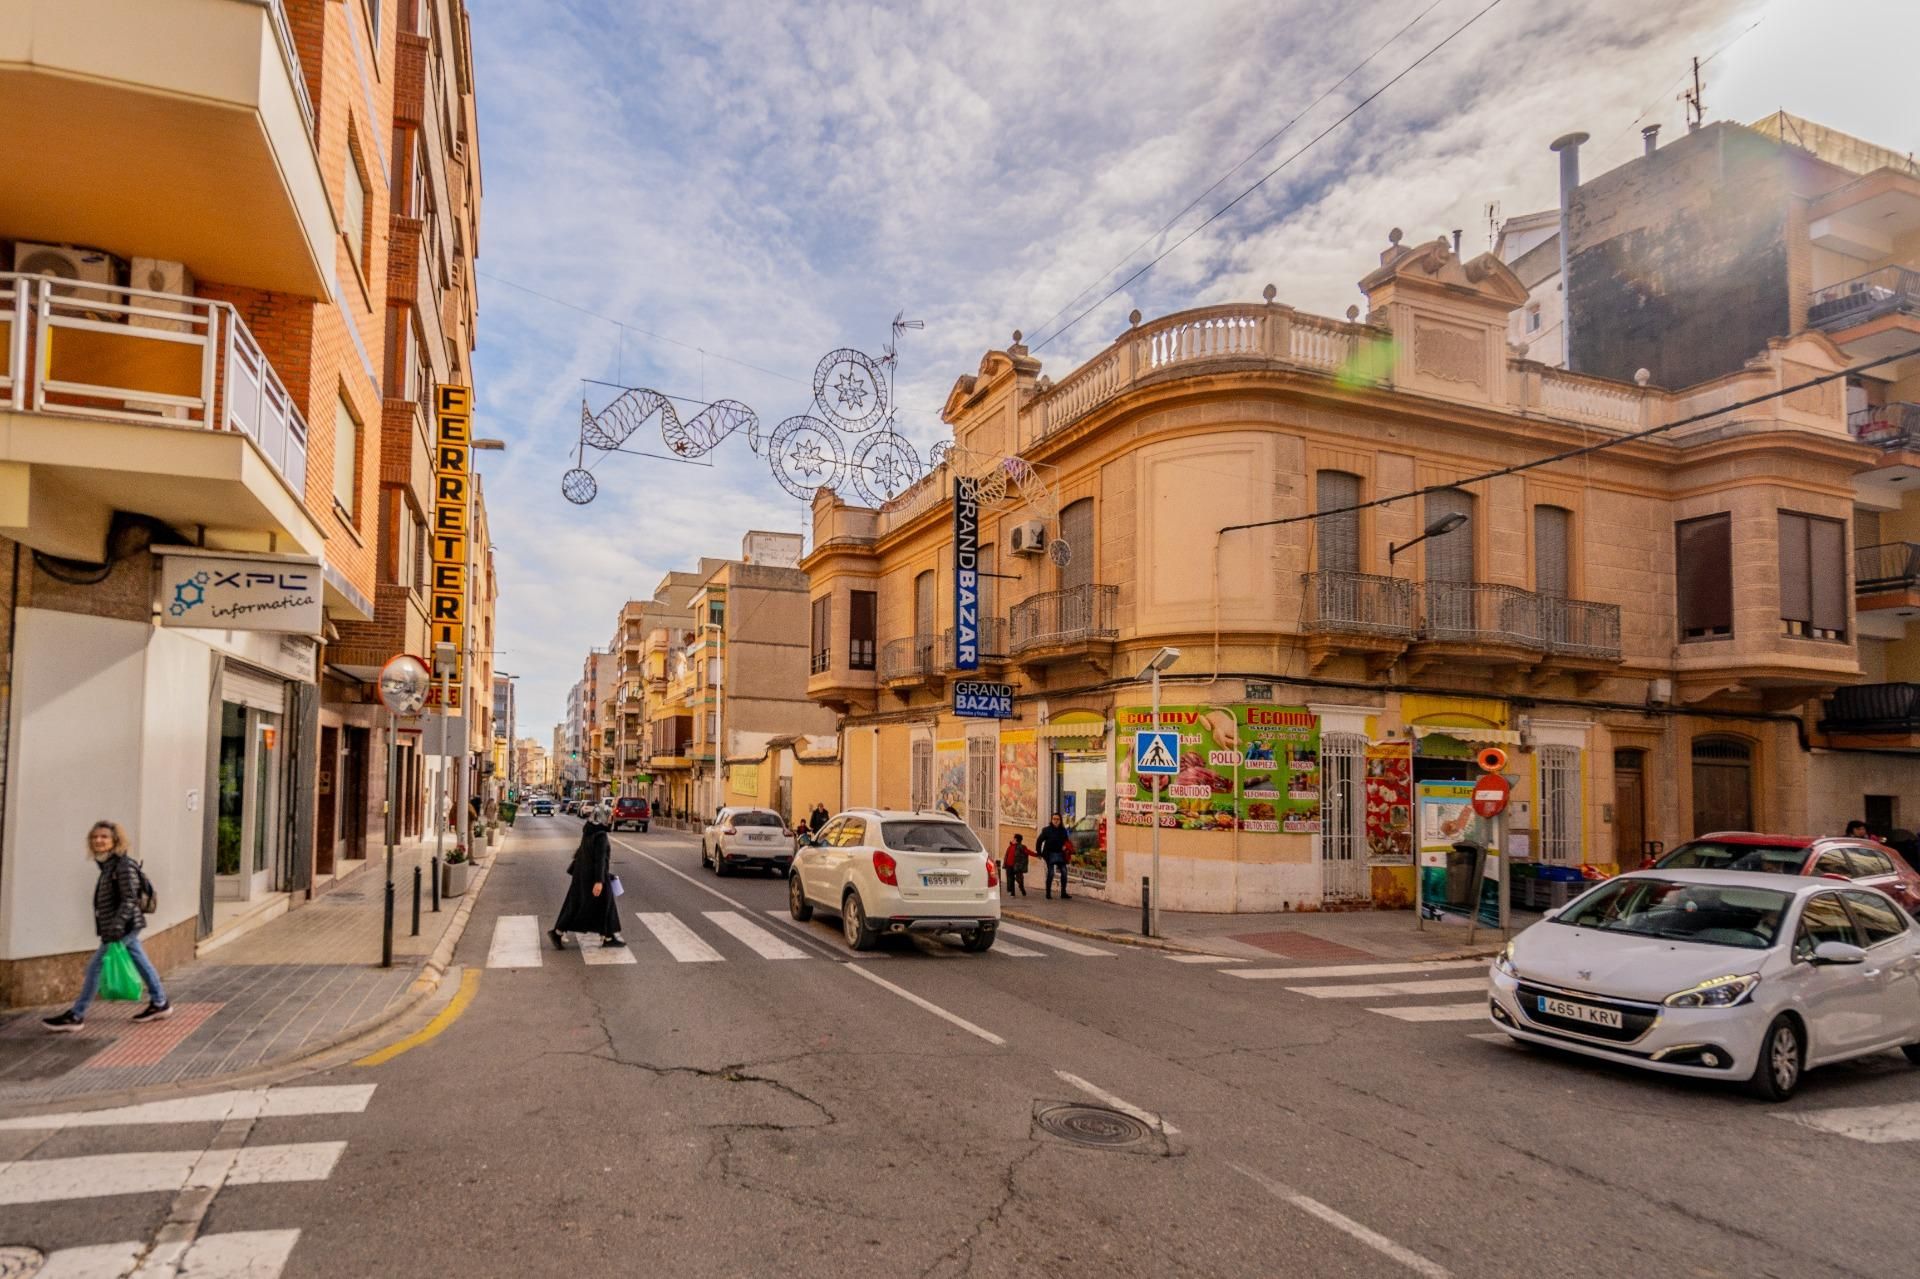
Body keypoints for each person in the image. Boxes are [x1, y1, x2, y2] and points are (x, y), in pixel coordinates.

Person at [44, 821, 171, 1030]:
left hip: (123, 927)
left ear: (115, 841)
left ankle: (76, 1015)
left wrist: (115, 927)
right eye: (95, 837)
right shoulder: (108, 866)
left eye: (104, 837)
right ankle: (160, 1002)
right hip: (120, 926)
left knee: (94, 967)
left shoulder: (123, 865)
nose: (98, 840)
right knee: (140, 961)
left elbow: (130, 899)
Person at [549, 806, 622, 949]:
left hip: (582, 874)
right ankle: (558, 933)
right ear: (601, 817)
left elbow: (583, 853)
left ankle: (607, 936)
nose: (610, 819)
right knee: (592, 904)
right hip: (593, 877)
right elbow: (600, 860)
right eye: (608, 816)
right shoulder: (600, 835)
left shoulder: (589, 831)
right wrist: (599, 881)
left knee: (580, 904)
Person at [1036, 813, 1072, 900]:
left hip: (1060, 854)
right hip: (1049, 854)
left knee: (1064, 872)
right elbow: (1039, 841)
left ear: (1060, 821)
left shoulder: (1063, 830)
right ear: (1051, 820)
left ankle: (1063, 893)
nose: (1056, 821)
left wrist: (1065, 846)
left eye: (1057, 819)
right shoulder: (1046, 830)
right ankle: (1048, 893)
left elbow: (1066, 841)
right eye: (1054, 819)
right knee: (1051, 873)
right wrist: (1039, 853)